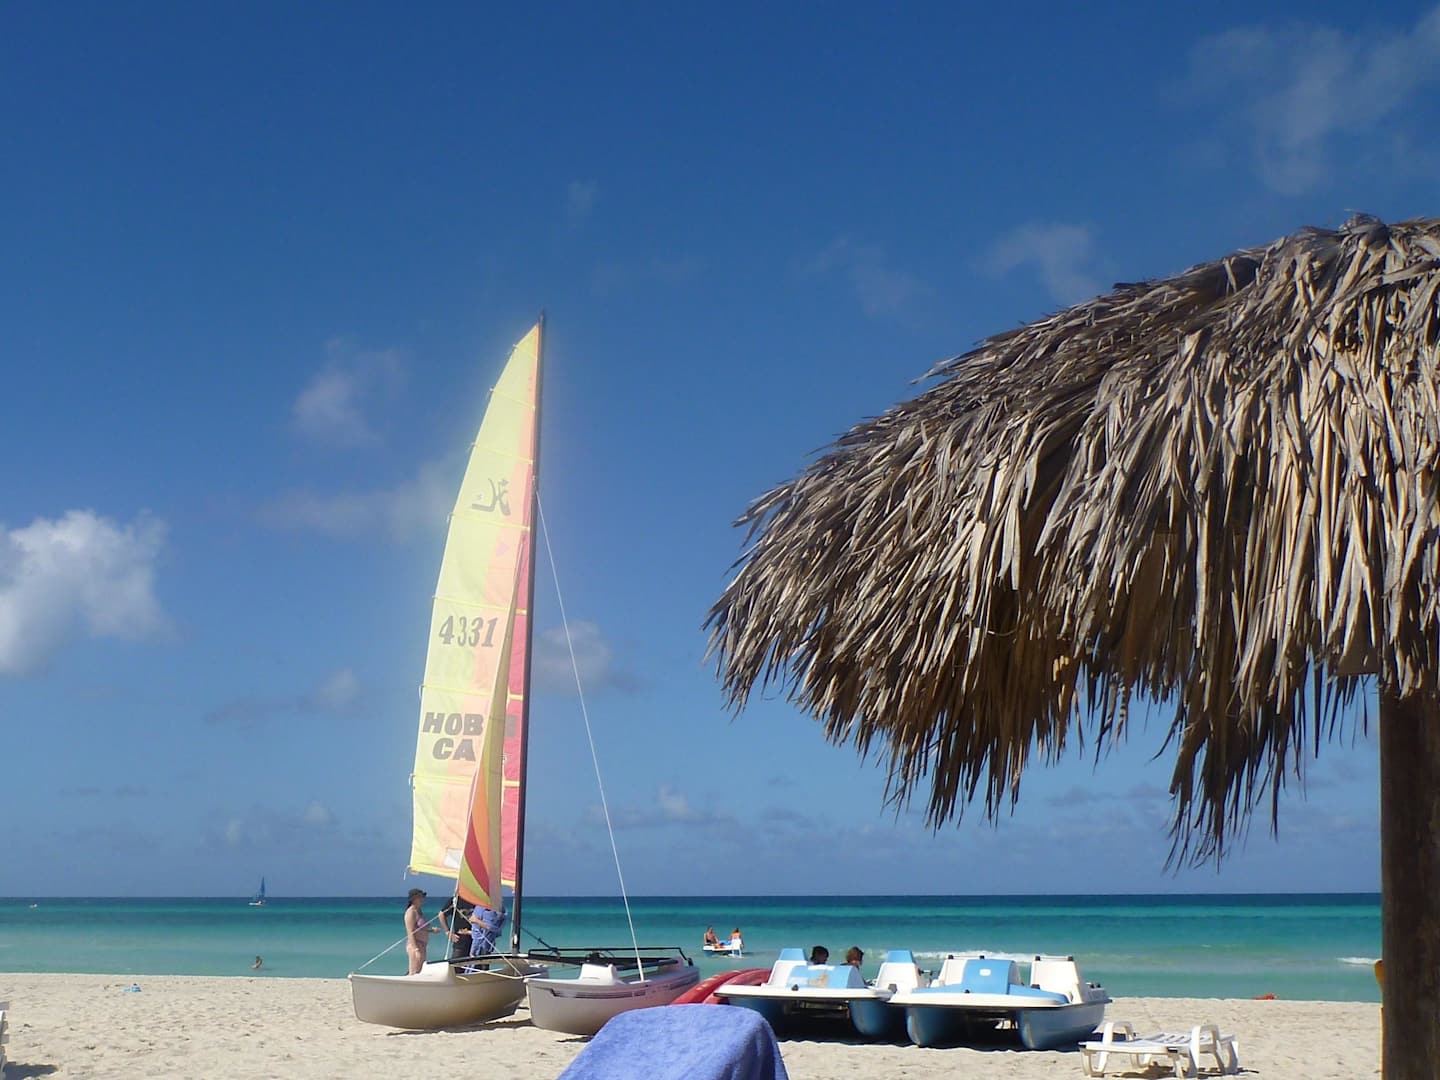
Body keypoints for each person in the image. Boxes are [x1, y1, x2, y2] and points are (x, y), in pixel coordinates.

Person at [404, 888, 432, 975]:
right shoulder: (411, 912)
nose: (422, 899)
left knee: (419, 971)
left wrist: (431, 930)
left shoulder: (419, 910)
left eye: (422, 897)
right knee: (414, 972)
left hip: (422, 945)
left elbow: (420, 928)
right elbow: (410, 932)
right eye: (419, 897)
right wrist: (416, 950)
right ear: (413, 899)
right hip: (415, 945)